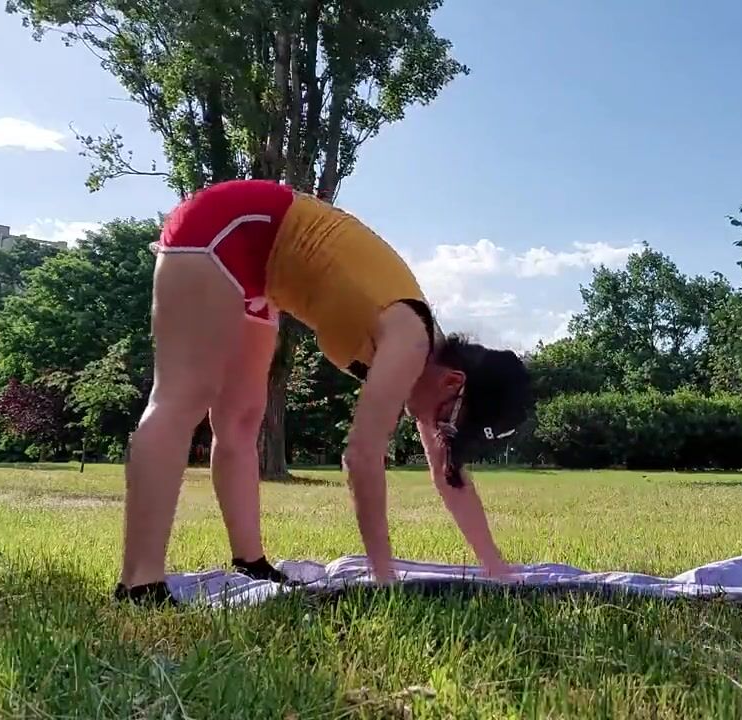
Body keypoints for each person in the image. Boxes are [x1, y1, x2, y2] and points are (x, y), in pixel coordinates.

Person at [113, 179, 533, 605]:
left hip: (264, 274)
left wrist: (495, 567)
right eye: (448, 423)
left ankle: (250, 562)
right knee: (184, 395)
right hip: (229, 226)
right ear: (454, 382)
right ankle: (139, 583)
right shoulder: (411, 342)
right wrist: (383, 575)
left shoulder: (429, 370)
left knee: (240, 418)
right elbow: (362, 457)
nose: (438, 431)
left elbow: (448, 475)